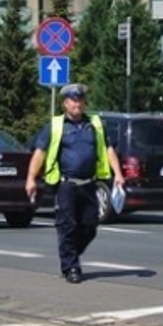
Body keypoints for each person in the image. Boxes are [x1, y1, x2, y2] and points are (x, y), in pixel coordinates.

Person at [25, 83, 124, 284]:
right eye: (73, 100)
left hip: (89, 184)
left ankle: (69, 253)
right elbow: (40, 153)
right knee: (67, 226)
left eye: (80, 100)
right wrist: (31, 178)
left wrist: (118, 174)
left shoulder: (95, 124)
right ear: (65, 104)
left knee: (90, 225)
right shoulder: (56, 126)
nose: (77, 104)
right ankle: (71, 267)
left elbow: (108, 149)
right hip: (66, 185)